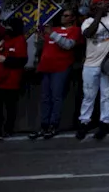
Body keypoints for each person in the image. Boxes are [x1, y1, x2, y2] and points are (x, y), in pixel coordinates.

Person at [31, 8, 80, 139]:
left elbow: (68, 45)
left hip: (61, 67)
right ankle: (44, 124)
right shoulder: (54, 30)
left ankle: (54, 124)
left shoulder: (74, 30)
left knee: (56, 97)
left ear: (73, 18)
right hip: (46, 66)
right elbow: (42, 46)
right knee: (45, 97)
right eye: (62, 15)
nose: (63, 18)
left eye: (67, 15)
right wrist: (40, 37)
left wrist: (51, 34)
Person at [77, 0, 109, 141]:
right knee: (89, 94)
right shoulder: (88, 21)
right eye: (101, 3)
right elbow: (88, 34)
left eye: (106, 3)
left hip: (108, 63)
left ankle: (105, 121)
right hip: (90, 63)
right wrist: (98, 15)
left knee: (107, 94)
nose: (105, 5)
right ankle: (84, 121)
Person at [0, 16, 27, 141]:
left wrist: (6, 60)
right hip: (0, 80)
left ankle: (8, 130)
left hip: (11, 80)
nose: (7, 29)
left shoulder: (20, 40)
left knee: (9, 107)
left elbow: (22, 60)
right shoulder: (5, 40)